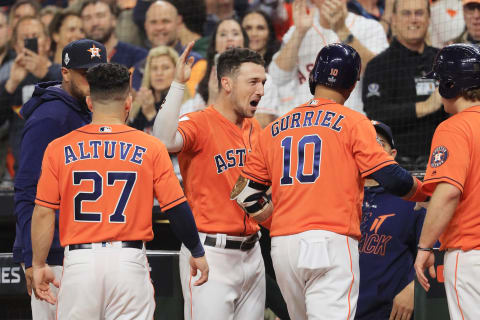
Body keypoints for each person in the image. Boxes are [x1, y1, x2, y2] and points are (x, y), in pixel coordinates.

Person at [231, 43, 428, 320]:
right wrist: (425, 192)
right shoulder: (354, 122)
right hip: (331, 241)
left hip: (284, 247)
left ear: (314, 78)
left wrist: (278, 223)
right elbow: (390, 177)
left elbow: (245, 193)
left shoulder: (274, 127)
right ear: (351, 84)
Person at [31, 62, 209, 318]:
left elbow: (43, 211)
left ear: (90, 102)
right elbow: (176, 207)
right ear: (128, 101)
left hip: (80, 263)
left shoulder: (58, 148)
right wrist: (197, 250)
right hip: (128, 262)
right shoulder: (151, 146)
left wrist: (38, 264)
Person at [154, 44, 267, 320]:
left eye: (263, 82)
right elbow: (163, 141)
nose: (261, 90)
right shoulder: (199, 122)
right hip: (210, 255)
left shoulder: (254, 127)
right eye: (253, 82)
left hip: (253, 252)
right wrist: (179, 84)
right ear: (226, 83)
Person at [13, 39, 105, 320]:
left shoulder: (87, 109)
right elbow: (27, 190)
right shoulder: (50, 118)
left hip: (80, 251)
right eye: (84, 74)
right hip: (53, 256)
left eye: (97, 73)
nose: (92, 80)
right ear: (65, 72)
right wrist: (33, 259)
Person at [414, 43, 480, 320]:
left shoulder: (454, 126)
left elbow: (449, 191)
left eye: (439, 81)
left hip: (471, 255)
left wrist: (425, 246)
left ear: (451, 85)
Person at [362, 0, 448, 170]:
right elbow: (375, 113)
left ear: (429, 18)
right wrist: (423, 107)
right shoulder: (379, 65)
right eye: (406, 13)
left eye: (419, 13)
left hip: (443, 160)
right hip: (397, 166)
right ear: (393, 19)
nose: (413, 19)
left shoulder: (443, 60)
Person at [355, 120, 426, 320]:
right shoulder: (339, 196)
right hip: (337, 309)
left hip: (389, 313)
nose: (371, 146)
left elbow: (435, 252)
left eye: (379, 142)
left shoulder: (412, 199)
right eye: (365, 141)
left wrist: (415, 289)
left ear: (392, 155)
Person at [269, 0, 388, 116]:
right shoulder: (300, 28)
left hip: (349, 120)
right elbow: (278, 77)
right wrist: (299, 32)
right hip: (306, 120)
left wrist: (342, 30)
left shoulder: (370, 27)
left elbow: (380, 74)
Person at [0, 15, 61, 172]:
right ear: (15, 46)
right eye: (25, 38)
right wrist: (11, 84)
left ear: (47, 42)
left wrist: (46, 74)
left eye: (35, 37)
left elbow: (76, 105)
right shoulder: (10, 80)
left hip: (60, 166)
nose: (30, 42)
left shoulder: (64, 74)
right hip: (24, 169)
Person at [132, 0, 206, 97]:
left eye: (165, 21)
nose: (159, 27)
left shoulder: (197, 64)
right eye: (153, 22)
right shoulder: (134, 71)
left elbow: (191, 105)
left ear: (178, 22)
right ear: (146, 26)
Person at [129, 45, 189, 133]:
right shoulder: (141, 102)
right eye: (154, 68)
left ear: (176, 71)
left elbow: (168, 143)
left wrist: (151, 114)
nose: (159, 73)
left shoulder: (186, 106)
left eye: (165, 68)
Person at [80, 0, 147, 68]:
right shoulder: (76, 58)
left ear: (114, 20)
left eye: (100, 16)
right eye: (87, 18)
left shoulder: (139, 57)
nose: (95, 23)